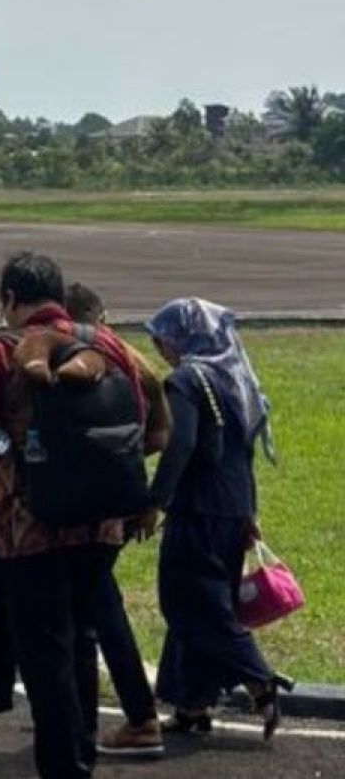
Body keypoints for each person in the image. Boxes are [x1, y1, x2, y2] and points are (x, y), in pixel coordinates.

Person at [0, 252, 162, 779]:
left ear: (9, 301)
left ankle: (65, 769)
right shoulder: (110, 345)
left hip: (30, 531)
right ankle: (83, 757)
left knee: (46, 656)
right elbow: (149, 420)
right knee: (83, 641)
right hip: (102, 525)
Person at [146, 297, 292, 741]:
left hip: (198, 509)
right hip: (231, 509)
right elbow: (243, 455)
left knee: (189, 602)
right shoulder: (236, 380)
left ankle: (260, 679)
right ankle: (192, 704)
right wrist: (249, 512)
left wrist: (156, 500)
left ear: (182, 337)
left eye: (164, 341)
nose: (162, 351)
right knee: (203, 604)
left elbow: (181, 445)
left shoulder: (187, 381)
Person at [65, 282, 170, 757]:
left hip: (89, 507)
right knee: (98, 603)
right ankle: (111, 715)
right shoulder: (134, 363)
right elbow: (157, 436)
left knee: (98, 611)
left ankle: (134, 719)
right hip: (122, 500)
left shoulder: (87, 357)